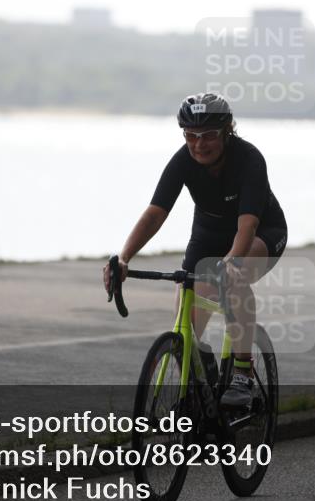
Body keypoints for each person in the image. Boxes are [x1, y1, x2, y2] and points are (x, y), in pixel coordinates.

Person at [102, 92, 287, 407]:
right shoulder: (183, 161)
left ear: (227, 131)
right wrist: (124, 257)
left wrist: (231, 261)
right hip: (208, 234)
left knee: (234, 276)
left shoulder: (249, 159)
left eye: (209, 136)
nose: (199, 144)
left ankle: (242, 372)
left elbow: (247, 227)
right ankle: (199, 385)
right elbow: (154, 214)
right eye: (191, 136)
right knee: (185, 324)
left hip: (260, 233)